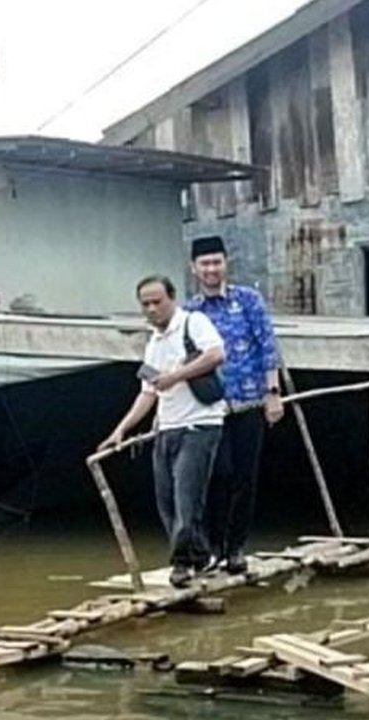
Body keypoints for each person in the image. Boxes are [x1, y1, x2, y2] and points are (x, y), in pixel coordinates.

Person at [99, 275, 226, 589]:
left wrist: (176, 376)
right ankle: (201, 556)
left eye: (158, 302)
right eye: (146, 304)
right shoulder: (153, 342)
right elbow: (148, 392)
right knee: (167, 501)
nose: (152, 309)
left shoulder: (193, 323)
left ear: (172, 299)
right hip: (167, 427)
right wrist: (121, 430)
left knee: (187, 498)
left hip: (200, 424)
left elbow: (216, 355)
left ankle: (182, 564)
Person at [184, 236, 283, 575]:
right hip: (210, 408)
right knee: (216, 475)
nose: (211, 269)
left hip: (250, 401)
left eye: (216, 262)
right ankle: (212, 548)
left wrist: (273, 392)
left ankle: (236, 548)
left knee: (245, 477)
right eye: (204, 264)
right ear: (194, 269)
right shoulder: (190, 311)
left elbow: (268, 345)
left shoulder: (248, 300)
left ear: (226, 263)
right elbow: (183, 360)